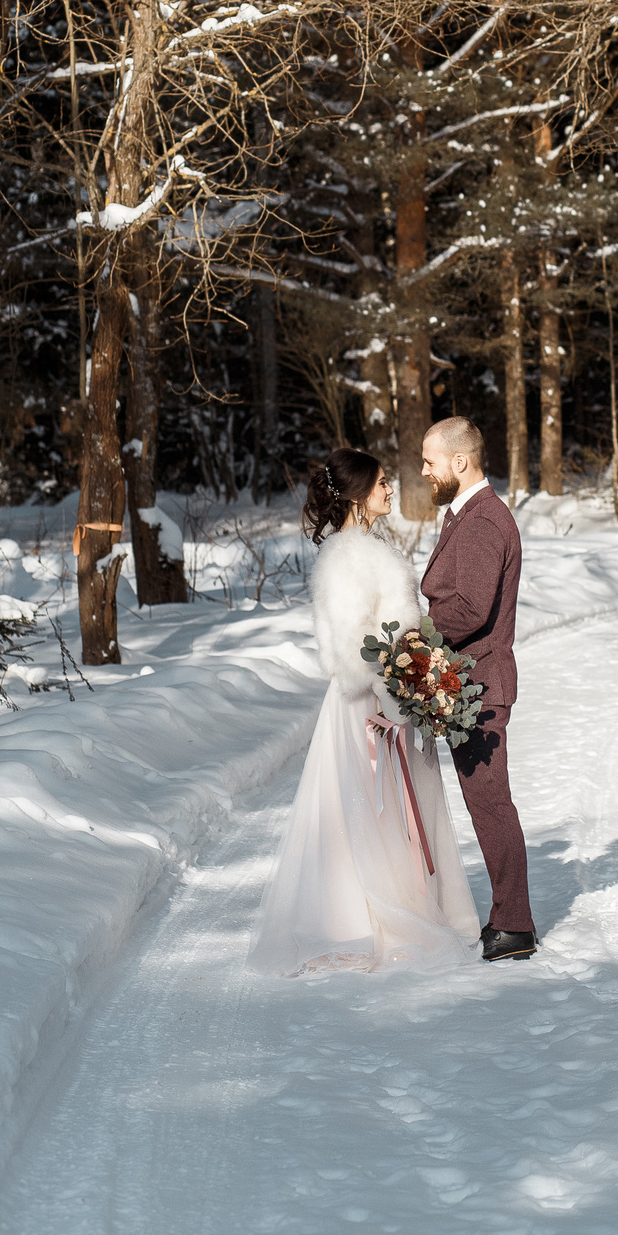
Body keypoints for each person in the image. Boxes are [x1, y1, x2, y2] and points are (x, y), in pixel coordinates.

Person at [249, 447, 480, 976]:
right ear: (356, 496)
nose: (391, 490)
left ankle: (405, 909)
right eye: (381, 484)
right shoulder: (351, 556)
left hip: (383, 696)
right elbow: (354, 646)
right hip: (367, 705)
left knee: (389, 814)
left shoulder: (365, 546)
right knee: (370, 812)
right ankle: (369, 921)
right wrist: (396, 695)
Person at [417, 417, 535, 960]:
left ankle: (514, 925)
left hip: (481, 688)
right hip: (469, 685)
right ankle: (508, 919)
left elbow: (470, 608)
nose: (424, 471)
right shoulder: (465, 514)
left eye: (430, 461)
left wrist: (416, 636)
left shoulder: (485, 520)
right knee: (485, 804)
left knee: (491, 805)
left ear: (459, 462)